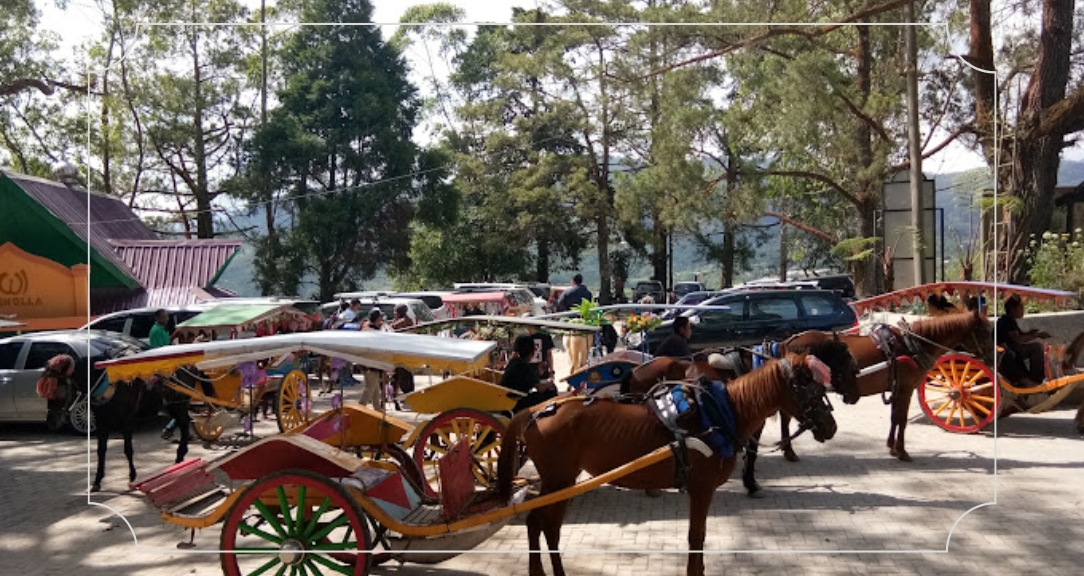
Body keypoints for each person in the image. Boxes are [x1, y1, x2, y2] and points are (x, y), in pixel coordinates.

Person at [996, 295, 1050, 385]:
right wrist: (1036, 335)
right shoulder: (1005, 322)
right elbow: (1018, 339)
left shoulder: (1011, 321)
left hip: (1012, 349)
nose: (1023, 310)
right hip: (1006, 352)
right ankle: (1036, 379)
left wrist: (1031, 333)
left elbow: (1020, 335)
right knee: (1036, 347)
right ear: (1013, 309)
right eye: (1020, 307)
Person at [500, 335, 557, 413]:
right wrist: (551, 382)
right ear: (532, 352)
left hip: (509, 398)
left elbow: (531, 380)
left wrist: (540, 373)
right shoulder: (524, 366)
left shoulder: (514, 362)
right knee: (551, 392)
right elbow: (540, 388)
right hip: (517, 402)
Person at [359, 308, 387, 410]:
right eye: (380, 318)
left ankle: (377, 409)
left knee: (375, 389)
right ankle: (360, 408)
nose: (382, 320)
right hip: (369, 363)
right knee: (369, 389)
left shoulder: (374, 329)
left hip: (373, 362)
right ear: (377, 318)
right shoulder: (369, 331)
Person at [388, 305, 415, 410]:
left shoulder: (403, 321)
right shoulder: (404, 320)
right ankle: (403, 396)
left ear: (400, 312)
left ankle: (403, 396)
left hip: (401, 353)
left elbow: (391, 328)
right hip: (402, 352)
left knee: (400, 376)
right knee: (402, 375)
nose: (394, 313)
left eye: (396, 312)